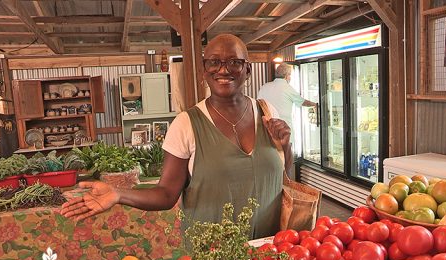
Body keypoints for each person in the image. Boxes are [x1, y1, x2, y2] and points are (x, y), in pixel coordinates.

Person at [60, 34, 292, 239]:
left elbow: (282, 176)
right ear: (204, 70)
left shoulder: (267, 112)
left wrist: (286, 146)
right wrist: (119, 193)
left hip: (271, 249)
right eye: (214, 62)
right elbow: (167, 194)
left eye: (234, 62)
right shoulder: (187, 124)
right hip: (213, 257)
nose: (223, 70)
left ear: (248, 70)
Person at [257, 63, 317, 139]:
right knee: (284, 149)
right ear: (286, 76)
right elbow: (302, 102)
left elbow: (258, 104)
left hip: (266, 130)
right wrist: (315, 104)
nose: (290, 77)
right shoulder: (288, 88)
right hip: (283, 130)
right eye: (290, 75)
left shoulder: (264, 87)